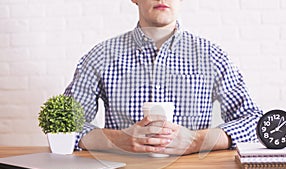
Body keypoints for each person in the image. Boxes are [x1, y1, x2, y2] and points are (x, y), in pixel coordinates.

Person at [64, 0, 263, 155]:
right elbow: (63, 125)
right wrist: (117, 140)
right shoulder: (101, 56)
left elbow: (254, 122)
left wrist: (196, 141)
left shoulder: (212, 56)